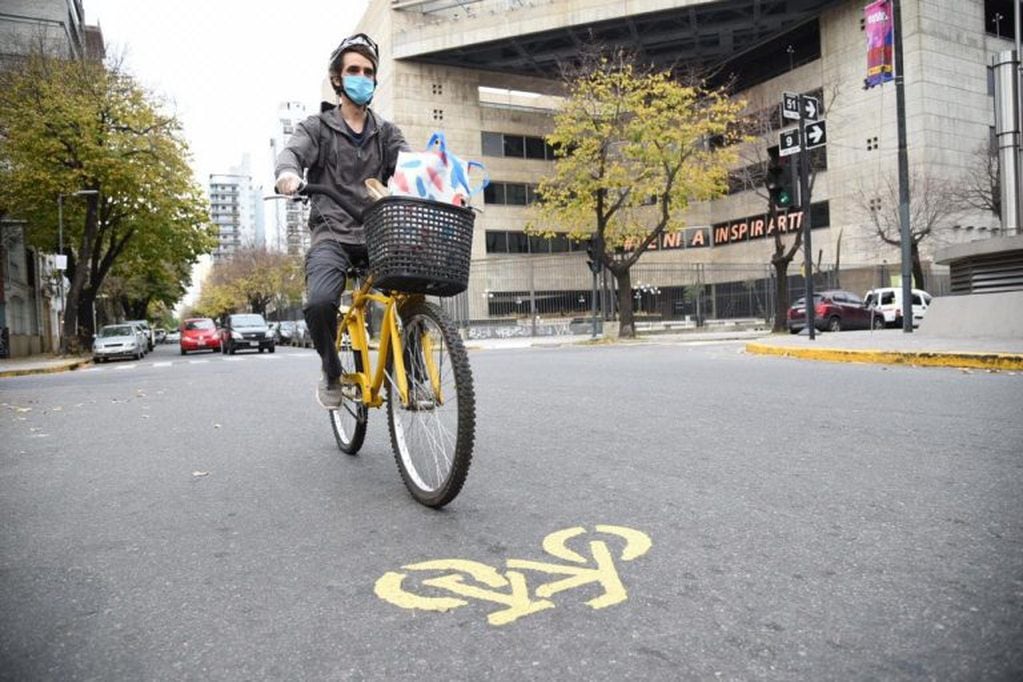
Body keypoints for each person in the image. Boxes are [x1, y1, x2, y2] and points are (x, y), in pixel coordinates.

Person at [274, 33, 410, 408]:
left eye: (368, 72)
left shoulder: (386, 132)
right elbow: (291, 155)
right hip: (331, 232)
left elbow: (412, 168)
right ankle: (331, 369)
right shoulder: (316, 128)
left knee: (412, 290)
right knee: (320, 303)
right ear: (337, 79)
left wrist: (439, 183)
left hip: (377, 232)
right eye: (353, 70)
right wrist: (287, 175)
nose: (362, 77)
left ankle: (411, 370)